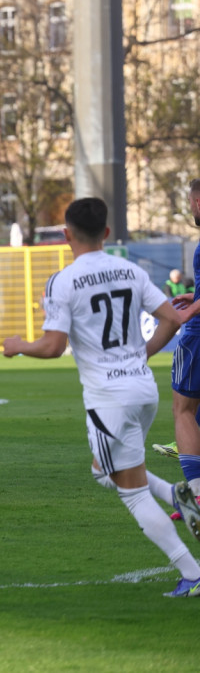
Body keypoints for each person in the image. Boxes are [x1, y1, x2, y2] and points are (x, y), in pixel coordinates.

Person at [3, 197, 200, 597]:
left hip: (109, 398)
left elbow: (54, 346)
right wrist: (142, 353)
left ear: (66, 234)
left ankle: (192, 573)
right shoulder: (129, 269)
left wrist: (19, 344)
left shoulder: (63, 280)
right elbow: (172, 318)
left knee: (130, 492)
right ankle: (176, 493)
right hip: (143, 391)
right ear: (107, 233)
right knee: (105, 469)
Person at [167, 178, 200, 544]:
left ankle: (195, 496)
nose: (190, 208)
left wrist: (192, 309)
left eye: (191, 201)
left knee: (183, 411)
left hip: (199, 337)